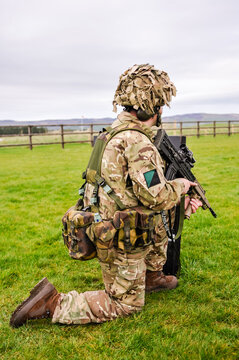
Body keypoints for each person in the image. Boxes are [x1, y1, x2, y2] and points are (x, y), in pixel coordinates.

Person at [10, 64, 202, 328]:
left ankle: (151, 277)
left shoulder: (111, 133)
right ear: (154, 106)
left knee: (159, 216)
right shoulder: (138, 142)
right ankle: (52, 304)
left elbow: (136, 191)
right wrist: (181, 185)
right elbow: (157, 197)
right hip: (122, 238)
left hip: (107, 227)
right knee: (125, 304)